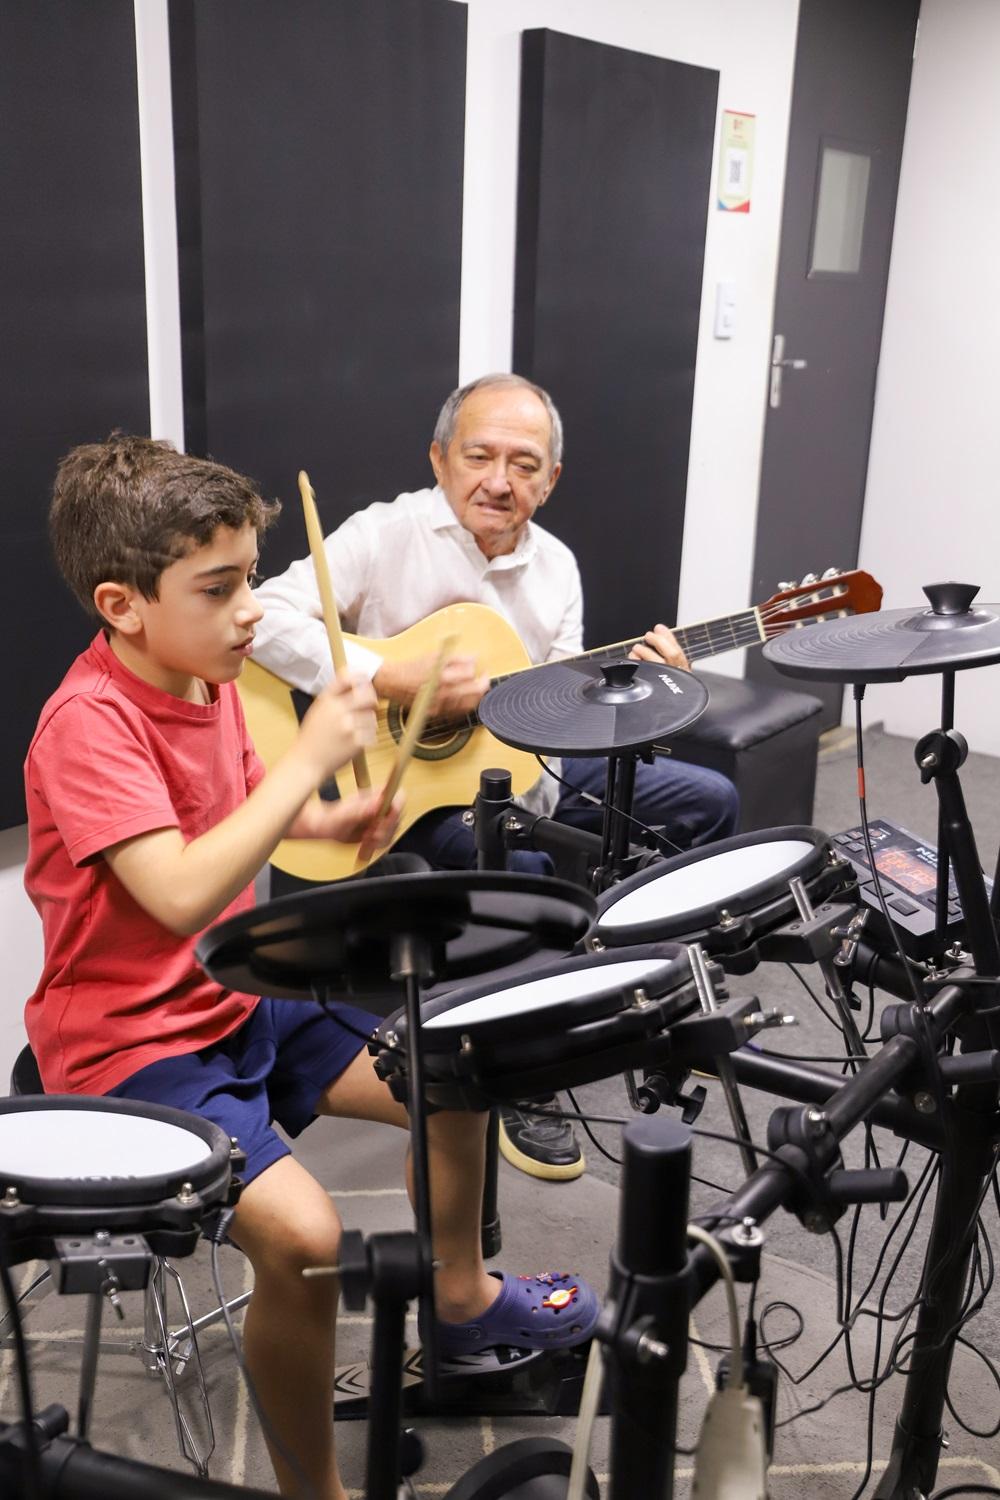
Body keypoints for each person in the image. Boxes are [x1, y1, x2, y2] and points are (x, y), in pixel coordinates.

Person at [23, 434, 600, 1500]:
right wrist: (308, 764)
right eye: (220, 588)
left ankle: (461, 1301)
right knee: (306, 1236)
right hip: (130, 1045)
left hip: (234, 994)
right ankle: (314, 1492)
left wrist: (336, 820)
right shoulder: (87, 725)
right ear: (122, 605)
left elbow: (251, 818)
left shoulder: (208, 680)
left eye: (252, 578)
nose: (252, 611)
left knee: (453, 1062)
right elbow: (180, 889)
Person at [252, 373, 740, 1184]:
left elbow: (566, 714)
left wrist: (650, 691)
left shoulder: (557, 567)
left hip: (519, 768)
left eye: (524, 464)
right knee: (523, 860)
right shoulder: (384, 534)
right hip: (401, 792)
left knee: (708, 801)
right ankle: (521, 1075)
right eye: (479, 456)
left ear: (551, 480)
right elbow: (264, 615)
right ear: (440, 458)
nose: (499, 481)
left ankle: (650, 998)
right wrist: (392, 676)